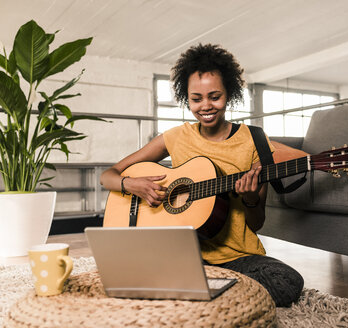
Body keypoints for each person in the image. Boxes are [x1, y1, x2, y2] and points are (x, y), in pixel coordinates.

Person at [100, 43, 304, 307]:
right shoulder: (174, 137)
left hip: (235, 256)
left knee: (286, 283)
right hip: (179, 252)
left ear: (229, 93)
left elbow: (256, 224)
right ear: (186, 98)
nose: (206, 106)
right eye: (196, 99)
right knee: (117, 273)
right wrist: (131, 184)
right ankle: (207, 287)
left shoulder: (254, 140)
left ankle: (195, 286)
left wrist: (251, 198)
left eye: (215, 96)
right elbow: (108, 175)